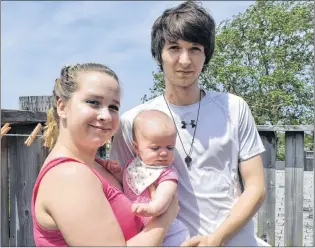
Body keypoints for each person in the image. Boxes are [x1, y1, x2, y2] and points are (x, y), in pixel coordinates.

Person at [109, 1, 268, 246]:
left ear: (206, 55)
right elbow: (121, 193)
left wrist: (215, 239)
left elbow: (256, 187)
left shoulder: (234, 108)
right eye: (174, 47)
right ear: (159, 54)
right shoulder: (134, 121)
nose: (185, 60)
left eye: (195, 48)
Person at [31, 63, 179, 246]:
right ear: (62, 107)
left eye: (114, 107)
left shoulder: (100, 167)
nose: (106, 116)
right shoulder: (69, 175)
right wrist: (164, 219)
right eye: (93, 102)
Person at [118, 109, 190, 246]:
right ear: (136, 147)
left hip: (170, 232)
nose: (163, 153)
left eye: (170, 147)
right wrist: (115, 171)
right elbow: (125, 180)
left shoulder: (166, 172)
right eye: (155, 148)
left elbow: (167, 192)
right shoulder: (132, 165)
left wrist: (154, 207)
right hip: (145, 231)